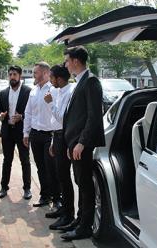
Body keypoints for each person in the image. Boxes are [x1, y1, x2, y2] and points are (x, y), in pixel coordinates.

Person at [60, 46, 105, 241]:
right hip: (74, 143)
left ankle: (85, 227)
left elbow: (93, 117)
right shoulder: (80, 82)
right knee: (80, 183)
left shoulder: (91, 82)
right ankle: (79, 220)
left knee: (85, 186)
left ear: (76, 61)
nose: (66, 64)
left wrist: (81, 143)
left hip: (82, 145)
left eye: (67, 61)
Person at [23, 62, 61, 208]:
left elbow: (58, 112)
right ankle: (45, 196)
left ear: (45, 73)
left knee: (52, 167)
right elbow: (28, 113)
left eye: (36, 72)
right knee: (40, 167)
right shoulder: (33, 91)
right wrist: (26, 133)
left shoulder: (54, 90)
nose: (34, 75)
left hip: (49, 135)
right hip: (35, 134)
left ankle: (57, 198)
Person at [44, 64, 76, 230]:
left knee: (64, 176)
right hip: (56, 136)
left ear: (59, 78)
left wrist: (50, 104)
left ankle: (68, 214)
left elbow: (63, 119)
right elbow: (55, 121)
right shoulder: (59, 91)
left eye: (51, 78)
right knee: (59, 175)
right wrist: (52, 141)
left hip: (64, 136)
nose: (50, 81)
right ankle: (64, 208)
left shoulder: (70, 92)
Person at [0, 65, 32, 200]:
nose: (12, 77)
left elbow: (33, 112)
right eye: (10, 74)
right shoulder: (4, 92)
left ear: (20, 76)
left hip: (22, 132)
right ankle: (3, 187)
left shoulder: (28, 92)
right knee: (7, 160)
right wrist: (1, 115)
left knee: (25, 160)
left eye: (15, 74)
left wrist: (22, 117)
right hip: (7, 131)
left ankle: (27, 188)